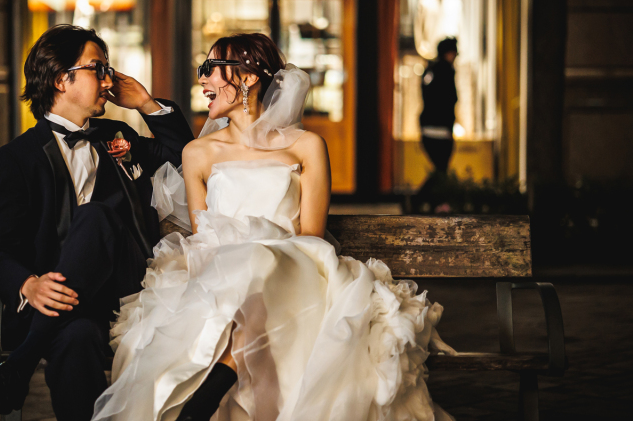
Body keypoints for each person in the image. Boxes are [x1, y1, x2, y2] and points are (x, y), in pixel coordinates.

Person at [92, 33, 455, 421]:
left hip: (298, 272)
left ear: (247, 78)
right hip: (221, 275)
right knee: (239, 275)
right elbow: (204, 239)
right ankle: (224, 376)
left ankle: (215, 386)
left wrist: (261, 256)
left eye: (210, 70)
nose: (202, 80)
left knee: (262, 259)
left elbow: (312, 237)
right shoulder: (197, 153)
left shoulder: (307, 146)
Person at [0, 24, 194, 420]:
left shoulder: (118, 136)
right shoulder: (16, 159)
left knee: (97, 215)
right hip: (64, 302)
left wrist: (145, 103)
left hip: (126, 285)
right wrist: (29, 285)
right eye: (98, 69)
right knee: (76, 338)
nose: (108, 81)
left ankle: (17, 367)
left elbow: (186, 157)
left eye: (108, 70)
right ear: (60, 79)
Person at [420, 37, 459, 174]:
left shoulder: (430, 71)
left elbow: (425, 95)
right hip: (441, 129)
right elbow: (450, 99)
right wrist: (449, 126)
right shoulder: (446, 71)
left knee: (439, 171)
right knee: (441, 171)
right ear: (448, 53)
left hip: (428, 128)